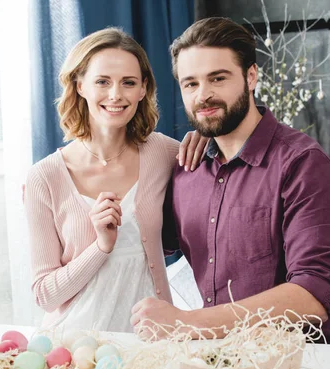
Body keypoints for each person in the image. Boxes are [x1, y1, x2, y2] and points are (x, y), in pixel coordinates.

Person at [130, 17, 330, 345]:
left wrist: (190, 323)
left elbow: (314, 294)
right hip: (216, 364)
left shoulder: (303, 164)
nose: (203, 95)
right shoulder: (185, 167)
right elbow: (142, 245)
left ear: (251, 76)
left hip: (300, 363)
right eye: (191, 84)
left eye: (217, 78)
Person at [23, 28, 208, 333]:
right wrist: (101, 246)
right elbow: (44, 295)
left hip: (152, 341)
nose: (116, 95)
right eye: (103, 82)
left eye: (128, 83)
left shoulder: (164, 153)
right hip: (77, 347)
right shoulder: (45, 177)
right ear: (79, 85)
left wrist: (206, 136)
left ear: (142, 89)